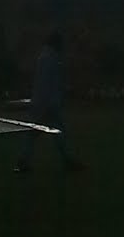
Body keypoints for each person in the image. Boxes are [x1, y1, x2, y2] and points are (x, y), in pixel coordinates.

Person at [15, 31, 84, 173]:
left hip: (42, 102)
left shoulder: (45, 58)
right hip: (48, 103)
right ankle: (68, 160)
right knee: (57, 133)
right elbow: (51, 83)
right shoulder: (51, 59)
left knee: (34, 134)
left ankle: (23, 160)